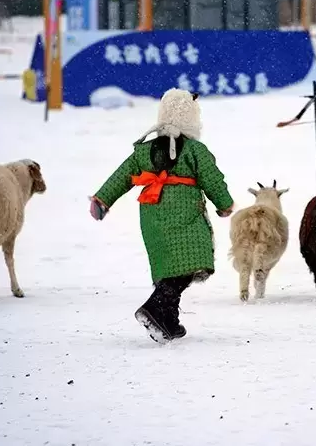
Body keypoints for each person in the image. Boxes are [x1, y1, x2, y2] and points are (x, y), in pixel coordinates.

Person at [89, 88, 235, 343]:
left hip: (152, 212)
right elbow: (212, 178)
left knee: (169, 264)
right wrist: (224, 204)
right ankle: (154, 308)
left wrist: (103, 199)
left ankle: (168, 320)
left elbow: (121, 176)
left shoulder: (145, 150)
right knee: (189, 262)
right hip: (184, 211)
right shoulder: (195, 150)